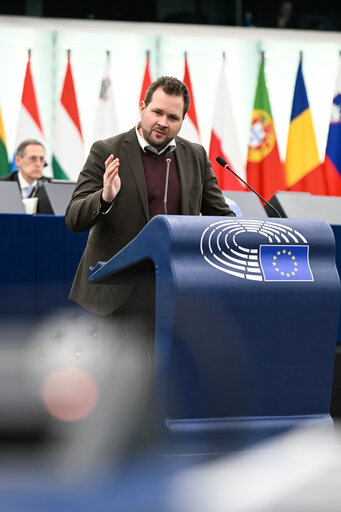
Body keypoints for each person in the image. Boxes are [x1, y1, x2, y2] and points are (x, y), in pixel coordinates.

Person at [65, 76, 235, 447]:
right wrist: (105, 197)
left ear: (182, 120)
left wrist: (251, 233)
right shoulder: (106, 149)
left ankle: (159, 452)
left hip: (172, 287)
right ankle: (106, 456)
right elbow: (74, 217)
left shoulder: (194, 156)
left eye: (173, 117)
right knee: (116, 386)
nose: (163, 122)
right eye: (157, 112)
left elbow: (220, 216)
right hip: (117, 288)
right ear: (142, 109)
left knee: (165, 381)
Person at [0, 139, 52, 213]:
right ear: (18, 161)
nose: (38, 164)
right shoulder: (2, 186)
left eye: (41, 159)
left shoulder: (51, 186)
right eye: (33, 158)